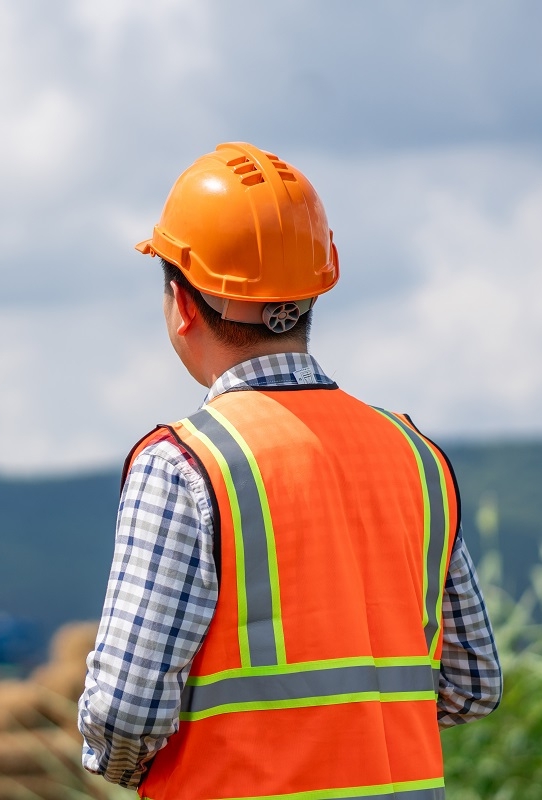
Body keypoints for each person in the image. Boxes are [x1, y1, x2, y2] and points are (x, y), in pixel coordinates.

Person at [78, 143, 501, 798]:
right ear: (309, 295)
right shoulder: (415, 456)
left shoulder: (186, 465)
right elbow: (474, 685)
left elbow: (124, 712)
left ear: (182, 304)